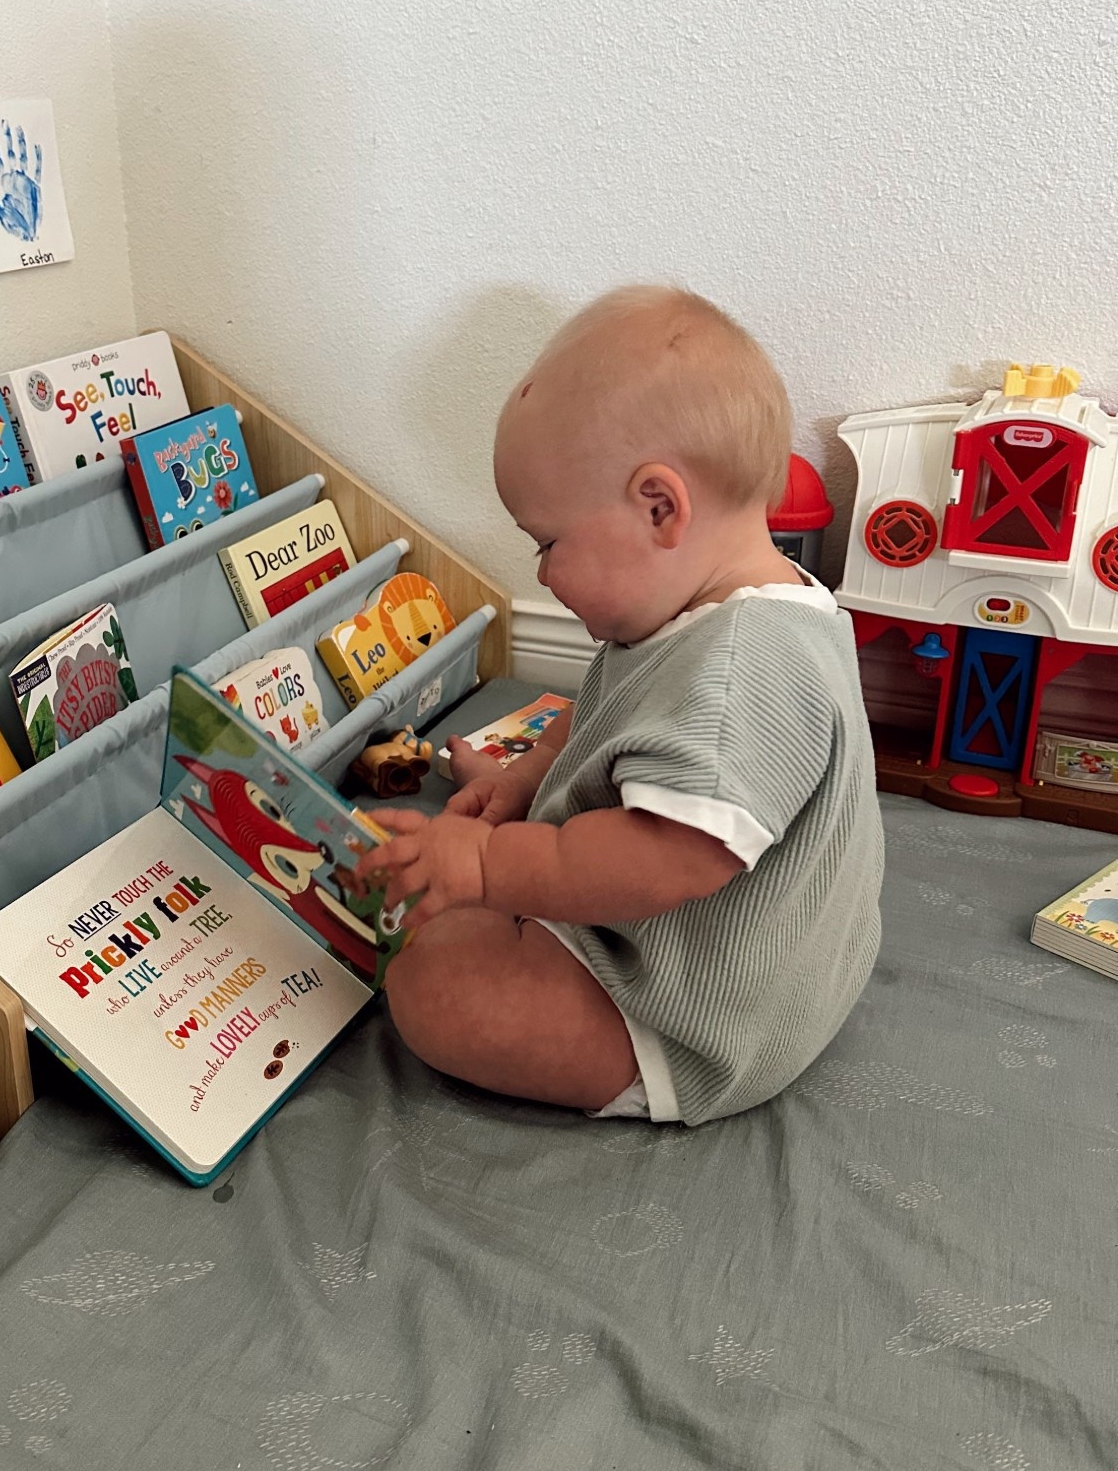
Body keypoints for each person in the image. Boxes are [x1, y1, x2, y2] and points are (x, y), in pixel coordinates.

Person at [355, 285, 883, 1125]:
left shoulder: (742, 669)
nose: (540, 573)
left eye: (547, 543)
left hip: (697, 1012)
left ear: (659, 508)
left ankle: (624, 1048)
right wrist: (533, 774)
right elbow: (624, 700)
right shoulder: (717, 607)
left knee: (435, 982)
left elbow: (665, 860)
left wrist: (489, 869)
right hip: (754, 959)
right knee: (449, 923)